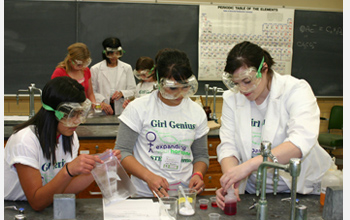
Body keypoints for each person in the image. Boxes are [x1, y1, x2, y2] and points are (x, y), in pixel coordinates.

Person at [215, 41, 332, 210]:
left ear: (264, 68)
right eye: (236, 83)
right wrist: (231, 179)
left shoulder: (295, 90)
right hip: (254, 191)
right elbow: (228, 146)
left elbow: (300, 142)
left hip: (300, 189)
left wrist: (247, 167)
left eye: (247, 81)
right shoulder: (231, 98)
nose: (242, 89)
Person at [4, 77, 121, 211]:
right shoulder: (24, 140)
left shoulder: (69, 136)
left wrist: (99, 167)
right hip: (12, 208)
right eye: (72, 115)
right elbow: (37, 202)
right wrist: (68, 171)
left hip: (44, 205)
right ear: (55, 113)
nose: (78, 121)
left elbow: (64, 190)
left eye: (80, 114)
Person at [115, 48, 209, 197]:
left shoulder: (196, 111)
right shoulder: (138, 108)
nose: (179, 93)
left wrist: (198, 174)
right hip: (145, 194)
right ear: (159, 81)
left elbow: (201, 155)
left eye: (185, 86)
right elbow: (122, 152)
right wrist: (149, 177)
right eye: (172, 88)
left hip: (184, 194)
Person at [91, 37, 136, 115]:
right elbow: (91, 92)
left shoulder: (126, 68)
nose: (114, 56)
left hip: (121, 109)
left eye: (117, 53)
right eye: (111, 53)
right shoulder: (95, 69)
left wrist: (122, 93)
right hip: (102, 109)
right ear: (105, 53)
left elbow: (133, 90)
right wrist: (102, 101)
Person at [51, 42, 98, 108]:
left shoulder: (86, 70)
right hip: (66, 112)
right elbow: (53, 95)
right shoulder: (59, 72)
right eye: (78, 64)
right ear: (70, 60)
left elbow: (90, 93)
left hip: (83, 111)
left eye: (84, 63)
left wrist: (94, 103)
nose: (81, 66)